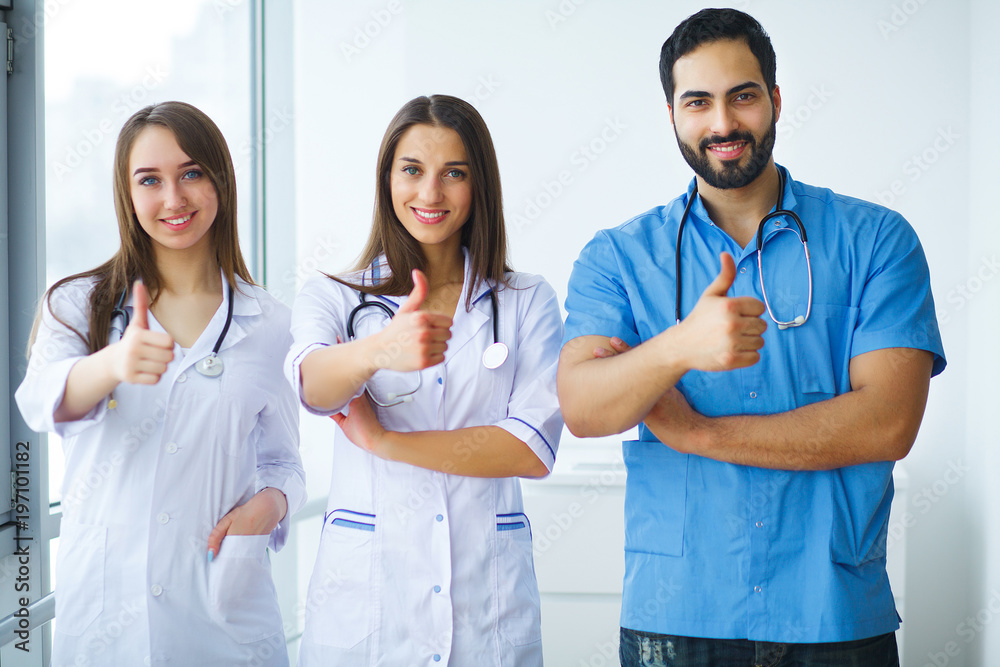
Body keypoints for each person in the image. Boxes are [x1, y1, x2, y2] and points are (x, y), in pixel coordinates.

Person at [557, 9, 945, 667]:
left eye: (743, 96)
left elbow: (887, 423)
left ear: (775, 100)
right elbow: (584, 406)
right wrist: (680, 345)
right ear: (672, 115)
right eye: (698, 101)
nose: (723, 123)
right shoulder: (617, 257)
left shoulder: (877, 239)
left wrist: (697, 432)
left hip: (831, 607)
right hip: (677, 610)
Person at [16, 101, 305, 667]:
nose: (173, 199)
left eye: (191, 173)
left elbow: (284, 462)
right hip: (105, 618)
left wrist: (270, 504)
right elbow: (42, 402)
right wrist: (114, 363)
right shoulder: (79, 305)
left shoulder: (270, 325)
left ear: (220, 181)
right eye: (150, 180)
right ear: (128, 196)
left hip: (224, 617)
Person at [287, 94, 563, 666]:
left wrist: (386, 442)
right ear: (387, 179)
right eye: (411, 170)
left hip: (486, 611)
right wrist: (377, 350)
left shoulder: (526, 300)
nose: (430, 193)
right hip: (369, 612)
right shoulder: (336, 295)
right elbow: (315, 384)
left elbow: (529, 448)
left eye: (453, 174)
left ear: (479, 184)